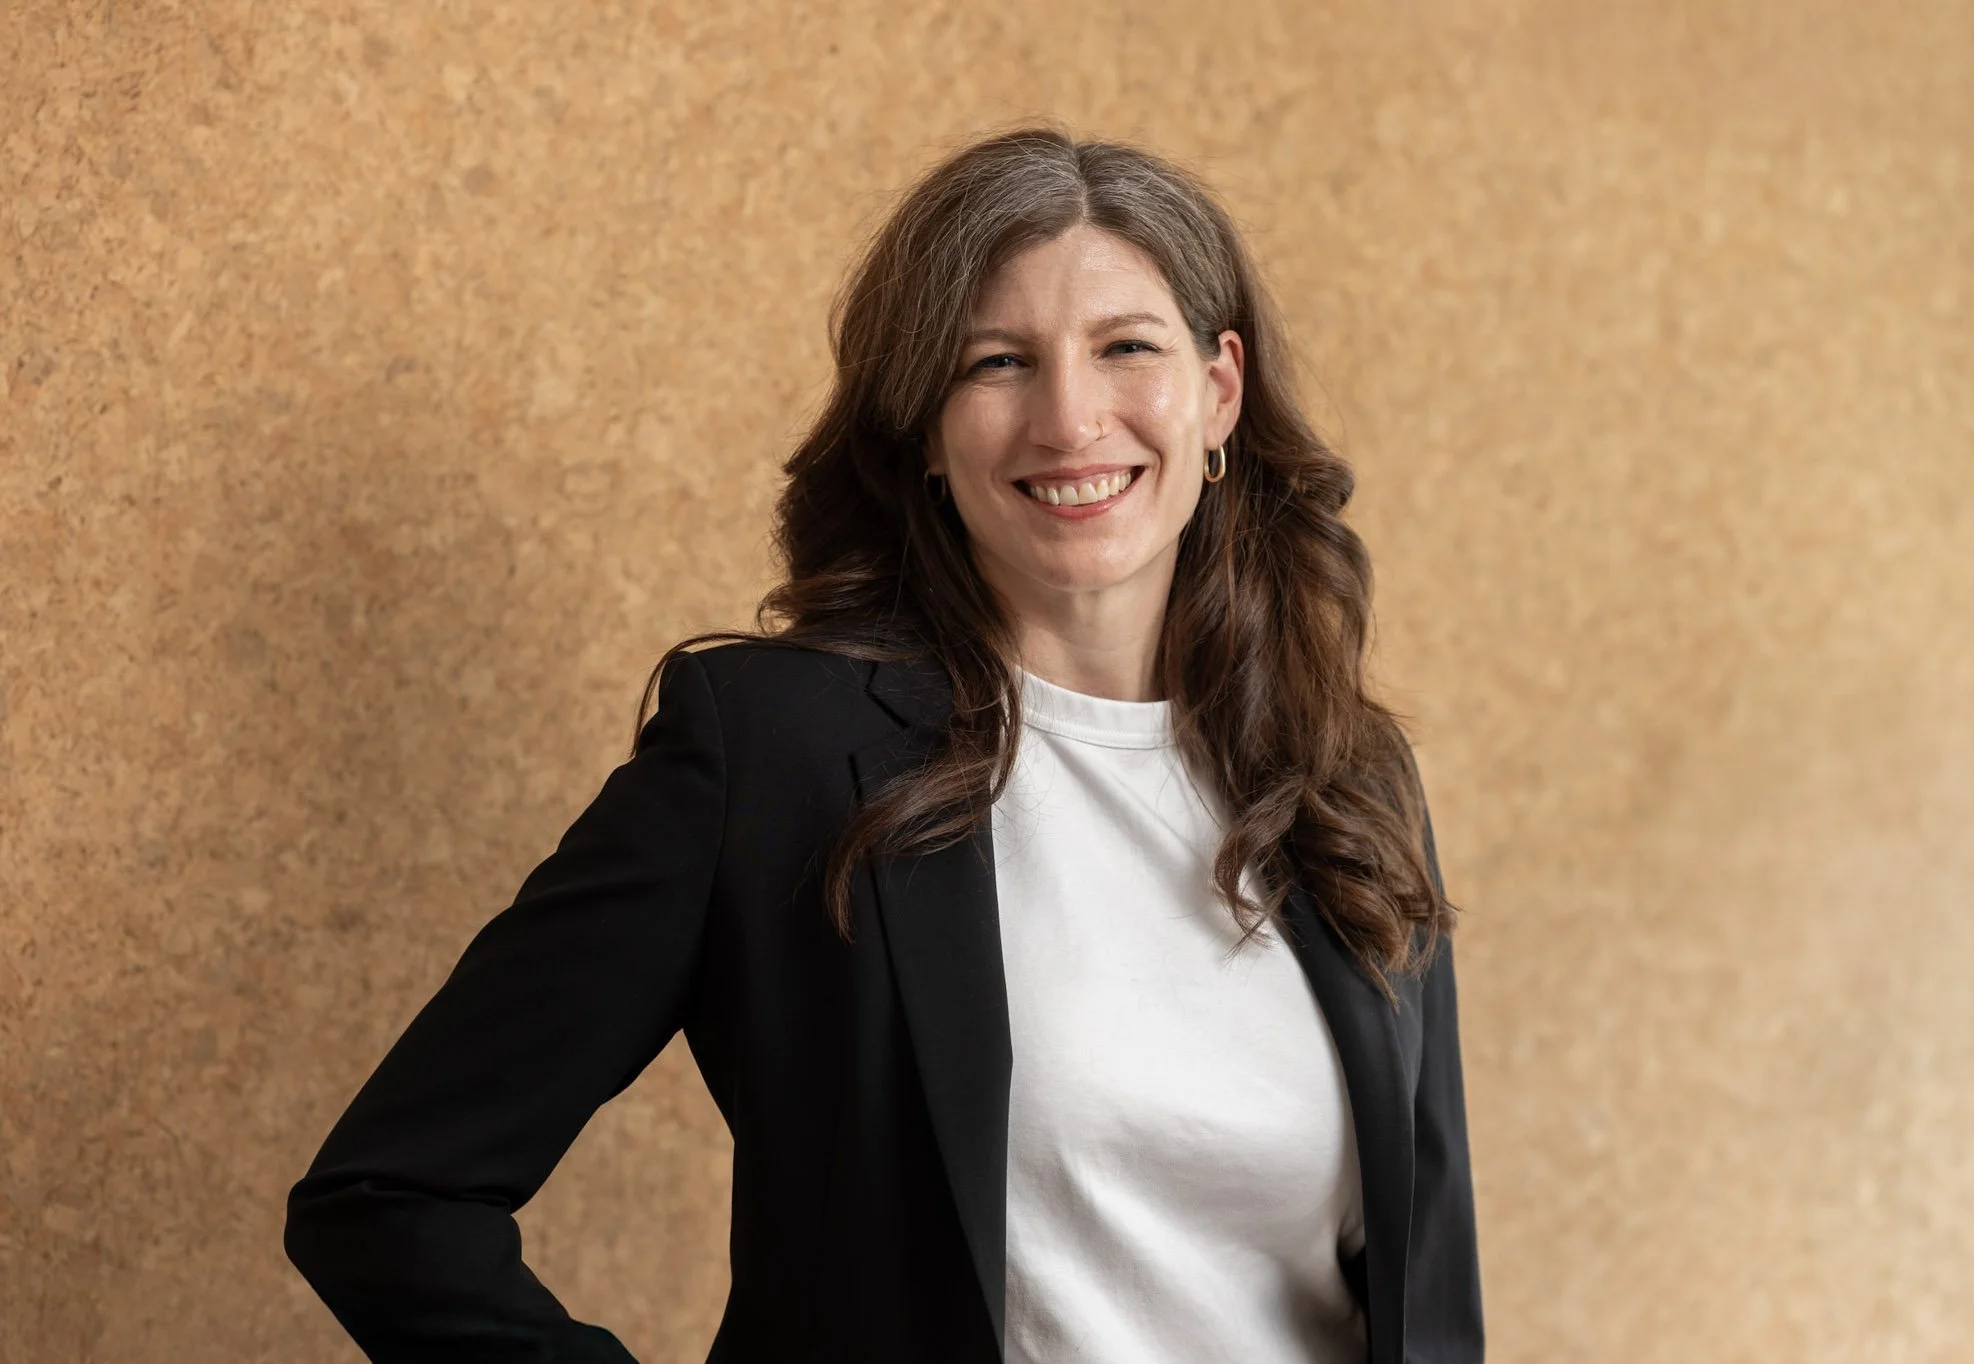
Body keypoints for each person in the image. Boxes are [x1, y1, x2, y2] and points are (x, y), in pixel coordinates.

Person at [283, 127, 1482, 1364]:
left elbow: (1426, 1298)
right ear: (921, 426)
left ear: (1218, 389)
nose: (1069, 418)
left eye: (1126, 346)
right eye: (995, 362)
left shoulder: (1346, 777)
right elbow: (388, 1202)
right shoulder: (774, 752)